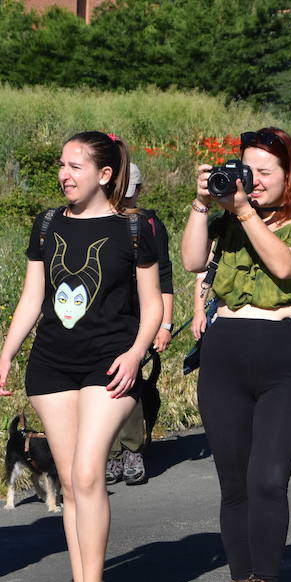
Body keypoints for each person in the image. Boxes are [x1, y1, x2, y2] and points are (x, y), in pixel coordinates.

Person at [0, 132, 161, 582]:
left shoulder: (134, 228)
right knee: (69, 481)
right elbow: (32, 297)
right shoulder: (46, 224)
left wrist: (135, 354)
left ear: (105, 175)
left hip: (110, 367)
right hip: (52, 366)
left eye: (76, 166)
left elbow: (152, 306)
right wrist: (7, 352)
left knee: (88, 474)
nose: (65, 174)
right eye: (62, 165)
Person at [181, 127, 291, 582]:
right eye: (249, 170)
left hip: (286, 359)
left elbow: (287, 265)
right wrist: (203, 205)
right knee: (234, 484)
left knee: (268, 478)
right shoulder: (227, 220)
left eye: (266, 171)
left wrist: (244, 211)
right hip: (227, 356)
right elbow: (192, 262)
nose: (254, 181)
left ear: (289, 174)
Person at [106, 162, 176, 487]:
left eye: (131, 194)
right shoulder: (97, 219)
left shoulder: (148, 223)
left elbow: (164, 274)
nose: (127, 200)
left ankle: (131, 450)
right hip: (103, 314)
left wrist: (165, 323)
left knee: (128, 382)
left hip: (139, 316)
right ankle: (109, 452)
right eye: (123, 194)